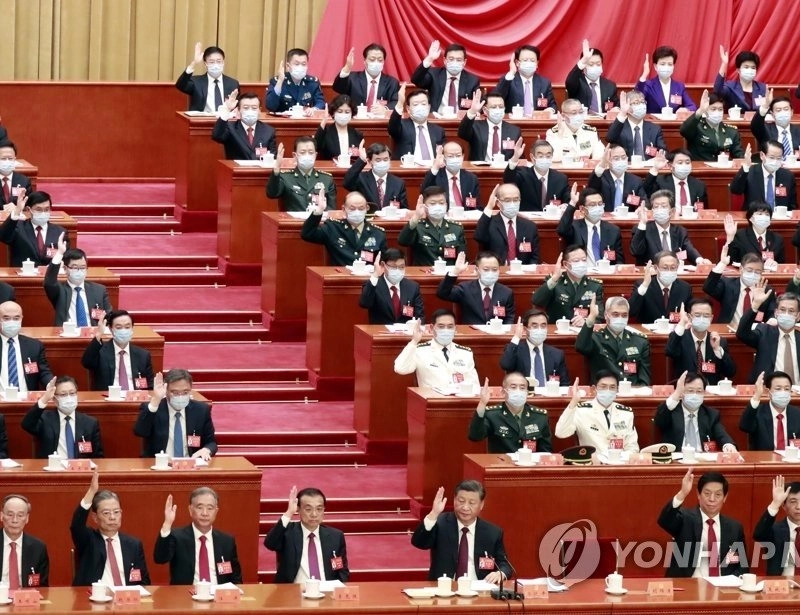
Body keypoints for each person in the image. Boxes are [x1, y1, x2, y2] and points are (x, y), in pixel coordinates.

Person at [411, 481, 512, 582]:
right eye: (461, 501)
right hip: (445, 587)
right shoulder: (441, 523)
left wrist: (500, 573)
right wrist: (434, 513)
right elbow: (419, 542)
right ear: (454, 500)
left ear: (481, 505)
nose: (465, 507)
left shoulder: (492, 533)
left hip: (479, 587)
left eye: (471, 503)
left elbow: (505, 565)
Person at [658, 470, 747, 577]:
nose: (712, 499)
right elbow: (665, 520)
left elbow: (742, 566)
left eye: (718, 494)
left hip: (722, 585)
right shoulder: (685, 519)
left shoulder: (735, 528)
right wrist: (682, 493)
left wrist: (731, 581)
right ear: (698, 494)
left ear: (725, 497)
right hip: (688, 584)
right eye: (707, 493)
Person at [71, 472, 149, 587]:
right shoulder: (89, 540)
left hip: (126, 596)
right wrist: (91, 492)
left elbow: (143, 582)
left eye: (116, 512)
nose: (112, 517)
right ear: (95, 517)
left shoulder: (134, 545)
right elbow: (76, 525)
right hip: (95, 595)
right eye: (106, 513)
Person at [154, 487, 242, 585]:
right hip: (186, 593)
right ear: (190, 510)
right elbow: (160, 558)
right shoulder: (177, 537)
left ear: (216, 511)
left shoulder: (226, 541)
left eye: (210, 508)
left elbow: (236, 578)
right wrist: (167, 524)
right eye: (200, 507)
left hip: (219, 593)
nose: (205, 513)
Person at [264, 486, 349, 583]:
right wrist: (289, 512)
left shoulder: (335, 537)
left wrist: (336, 587)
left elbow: (340, 569)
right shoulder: (288, 532)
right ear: (298, 509)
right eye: (308, 509)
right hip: (294, 590)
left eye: (319, 509)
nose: (314, 514)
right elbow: (270, 544)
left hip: (326, 589)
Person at [133, 369, 217, 460]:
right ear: (166, 391)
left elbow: (211, 443)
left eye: (185, 392)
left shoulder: (201, 410)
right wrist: (156, 400)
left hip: (190, 464)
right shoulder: (155, 408)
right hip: (160, 464)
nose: (180, 396)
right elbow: (140, 431)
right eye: (175, 392)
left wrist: (206, 449)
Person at [21, 375, 104, 459]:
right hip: (53, 466)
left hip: (79, 466)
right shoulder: (45, 419)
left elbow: (98, 457)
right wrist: (45, 398)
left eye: (72, 393)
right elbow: (26, 424)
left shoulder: (90, 423)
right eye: (63, 394)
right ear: (54, 399)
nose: (69, 398)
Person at [394, 309, 479, 389]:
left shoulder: (465, 353)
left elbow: (474, 385)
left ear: (455, 329)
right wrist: (414, 341)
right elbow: (400, 368)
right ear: (432, 328)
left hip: (458, 398)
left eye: (450, 327)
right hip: (430, 398)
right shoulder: (420, 351)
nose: (446, 330)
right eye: (441, 326)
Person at [576, 295, 651, 385]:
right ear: (606, 315)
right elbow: (581, 347)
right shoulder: (595, 338)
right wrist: (591, 318)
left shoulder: (640, 342)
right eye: (615, 314)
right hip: (604, 390)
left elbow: (644, 381)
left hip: (630, 391)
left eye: (624, 315)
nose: (620, 318)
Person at [654, 371, 737, 451]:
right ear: (682, 392)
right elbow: (659, 420)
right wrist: (676, 394)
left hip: (702, 458)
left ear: (704, 393)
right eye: (690, 391)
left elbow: (722, 435)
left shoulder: (711, 415)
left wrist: (728, 445)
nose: (695, 395)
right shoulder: (671, 412)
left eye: (699, 391)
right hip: (677, 458)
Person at [469, 372, 551, 452]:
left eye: (522, 388)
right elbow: (475, 436)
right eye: (513, 387)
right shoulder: (493, 415)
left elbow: (545, 451)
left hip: (530, 461)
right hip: (501, 461)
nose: (518, 391)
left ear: (527, 393)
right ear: (503, 392)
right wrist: (482, 403)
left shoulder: (539, 416)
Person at [300, 191, 387, 266]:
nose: (357, 212)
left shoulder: (378, 233)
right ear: (343, 209)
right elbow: (307, 234)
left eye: (361, 208)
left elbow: (383, 262)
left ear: (367, 208)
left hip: (367, 277)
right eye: (352, 208)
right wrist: (319, 211)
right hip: (340, 277)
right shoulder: (333, 228)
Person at [555, 373, 639, 451]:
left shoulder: (626, 413)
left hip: (619, 460)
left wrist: (621, 459)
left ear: (617, 390)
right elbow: (561, 433)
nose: (608, 390)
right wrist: (574, 401)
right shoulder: (581, 411)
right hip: (593, 460)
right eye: (603, 387)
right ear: (594, 389)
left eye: (612, 387)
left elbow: (632, 448)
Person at [44, 236, 113, 327]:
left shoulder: (99, 290)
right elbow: (49, 281)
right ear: (65, 269)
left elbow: (109, 317)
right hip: (68, 333)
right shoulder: (59, 290)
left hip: (93, 333)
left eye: (83, 267)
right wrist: (60, 253)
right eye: (75, 267)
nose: (79, 271)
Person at [665, 299, 736, 385]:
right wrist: (682, 322)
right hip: (687, 389)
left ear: (711, 318)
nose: (702, 319)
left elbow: (730, 372)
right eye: (697, 315)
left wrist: (717, 349)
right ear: (689, 317)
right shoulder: (680, 338)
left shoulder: (718, 341)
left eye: (706, 316)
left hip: (711, 390)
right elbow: (670, 351)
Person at [81, 309, 154, 391]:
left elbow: (150, 385)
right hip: (108, 397)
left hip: (134, 397)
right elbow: (87, 363)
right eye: (119, 327)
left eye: (127, 327)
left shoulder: (143, 355)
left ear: (132, 328)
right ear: (111, 329)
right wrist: (99, 334)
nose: (123, 330)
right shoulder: (100, 352)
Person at [631, 190, 709, 266]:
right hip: (651, 273)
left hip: (674, 271)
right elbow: (636, 251)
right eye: (656, 206)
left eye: (663, 206)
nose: (659, 210)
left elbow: (689, 249)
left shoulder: (680, 231)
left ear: (672, 211)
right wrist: (642, 223)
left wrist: (700, 260)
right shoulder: (643, 229)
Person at [737, 291, 800, 383]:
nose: (786, 314)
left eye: (791, 311)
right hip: (767, 388)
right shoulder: (764, 332)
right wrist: (755, 305)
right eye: (782, 310)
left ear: (798, 316)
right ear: (776, 313)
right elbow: (742, 333)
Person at [437, 251, 515, 325]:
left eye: (494, 269)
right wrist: (455, 271)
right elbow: (442, 294)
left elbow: (509, 318)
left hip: (497, 333)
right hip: (471, 332)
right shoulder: (465, 289)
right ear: (477, 270)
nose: (490, 272)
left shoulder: (506, 292)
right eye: (486, 269)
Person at [531, 245, 604, 323]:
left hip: (582, 329)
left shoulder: (595, 286)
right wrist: (554, 278)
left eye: (584, 260)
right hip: (557, 328)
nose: (581, 264)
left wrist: (587, 321)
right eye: (576, 261)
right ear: (565, 264)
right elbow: (537, 301)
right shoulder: (555, 281)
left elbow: (599, 316)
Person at [704, 246, 775, 324]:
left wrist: (772, 320)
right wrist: (722, 264)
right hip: (729, 327)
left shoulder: (766, 290)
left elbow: (772, 313)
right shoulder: (728, 284)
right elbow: (708, 288)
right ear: (741, 269)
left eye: (757, 272)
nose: (753, 274)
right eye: (749, 270)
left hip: (755, 330)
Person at [556, 185, 624, 265]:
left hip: (605, 271)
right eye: (592, 205)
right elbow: (562, 230)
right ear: (582, 209)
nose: (597, 207)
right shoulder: (574, 227)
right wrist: (572, 203)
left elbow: (619, 261)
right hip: (582, 270)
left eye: (600, 204)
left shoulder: (613, 230)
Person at [397, 188, 466, 266]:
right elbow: (402, 241)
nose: (438, 206)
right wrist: (416, 216)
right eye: (433, 203)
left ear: (446, 205)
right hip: (424, 272)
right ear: (424, 206)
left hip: (449, 272)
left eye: (441, 203)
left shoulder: (456, 228)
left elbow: (462, 259)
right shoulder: (418, 227)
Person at [474, 183, 539, 265]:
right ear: (498, 203)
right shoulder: (489, 224)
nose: (512, 204)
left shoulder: (530, 226)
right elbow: (479, 237)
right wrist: (489, 207)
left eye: (516, 200)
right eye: (507, 200)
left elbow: (535, 257)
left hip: (522, 271)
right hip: (496, 270)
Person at [0, 189, 68, 268]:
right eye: (39, 209)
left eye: (47, 209)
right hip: (23, 274)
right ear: (29, 210)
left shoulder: (60, 232)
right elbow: (3, 236)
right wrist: (17, 211)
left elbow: (66, 257)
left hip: (50, 274)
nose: (43, 213)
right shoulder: (18, 228)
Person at [265, 137, 336, 212]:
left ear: (315, 155)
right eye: (302, 152)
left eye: (311, 152)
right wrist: (276, 169)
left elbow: (331, 210)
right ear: (294, 155)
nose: (307, 156)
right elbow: (272, 194)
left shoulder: (326, 179)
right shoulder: (285, 177)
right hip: (293, 219)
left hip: (319, 219)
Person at [499, 310, 569, 385]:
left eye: (543, 326)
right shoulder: (516, 351)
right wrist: (516, 337)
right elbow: (506, 365)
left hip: (549, 391)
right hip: (525, 391)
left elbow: (564, 384)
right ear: (525, 329)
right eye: (535, 326)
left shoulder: (557, 354)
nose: (539, 329)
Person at [410, 40, 480, 115]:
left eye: (459, 60)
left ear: (464, 62)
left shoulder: (472, 81)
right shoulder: (434, 75)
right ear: (445, 60)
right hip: (436, 119)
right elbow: (416, 80)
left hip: (461, 120)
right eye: (451, 59)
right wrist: (429, 58)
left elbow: (477, 105)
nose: (455, 62)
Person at [358, 249, 424, 325]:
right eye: (393, 267)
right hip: (381, 331)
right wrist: (375, 274)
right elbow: (364, 303)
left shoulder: (412, 287)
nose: (398, 270)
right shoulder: (374, 285)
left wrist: (416, 324)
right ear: (383, 265)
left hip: (406, 331)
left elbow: (420, 316)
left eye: (401, 267)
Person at [504, 139, 570, 212]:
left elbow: (569, 201)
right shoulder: (523, 174)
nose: (545, 159)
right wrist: (515, 157)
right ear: (532, 157)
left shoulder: (561, 178)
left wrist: (565, 206)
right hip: (527, 218)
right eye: (541, 156)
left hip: (552, 218)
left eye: (548, 156)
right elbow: (508, 180)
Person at [0, 301, 53, 392]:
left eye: (16, 318)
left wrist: (50, 384)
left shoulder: (34, 346)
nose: (11, 322)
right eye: (6, 318)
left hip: (27, 398)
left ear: (21, 319)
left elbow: (43, 372)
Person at [752, 475, 800, 576]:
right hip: (781, 583)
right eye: (793, 501)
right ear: (784, 505)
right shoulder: (775, 530)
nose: (798, 507)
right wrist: (775, 503)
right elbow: (758, 535)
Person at [628, 250, 693, 324]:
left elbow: (690, 313)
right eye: (665, 268)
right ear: (656, 268)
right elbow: (631, 312)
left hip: (675, 329)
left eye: (673, 268)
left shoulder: (684, 288)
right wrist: (645, 285)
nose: (669, 271)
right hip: (648, 329)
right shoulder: (643, 285)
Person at [740, 371, 800, 450]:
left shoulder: (797, 414)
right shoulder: (758, 413)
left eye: (787, 389)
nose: (783, 392)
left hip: (791, 457)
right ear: (768, 392)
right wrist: (757, 395)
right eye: (778, 389)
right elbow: (745, 426)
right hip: (764, 457)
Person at [332, 44, 399, 113]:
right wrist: (347, 67)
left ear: (383, 62)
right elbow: (338, 88)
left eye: (380, 60)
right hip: (356, 118)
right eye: (372, 60)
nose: (376, 63)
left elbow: (397, 102)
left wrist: (385, 108)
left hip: (380, 118)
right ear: (364, 61)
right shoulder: (353, 78)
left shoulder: (392, 83)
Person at [679, 90, 744, 161]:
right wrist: (700, 111)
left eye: (720, 109)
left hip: (723, 167)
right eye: (713, 109)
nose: (717, 112)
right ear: (706, 111)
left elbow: (739, 154)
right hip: (701, 166)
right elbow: (683, 131)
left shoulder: (731, 131)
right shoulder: (696, 127)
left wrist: (745, 159)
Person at [730, 141, 797, 211]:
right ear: (762, 155)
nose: (775, 161)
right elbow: (735, 190)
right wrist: (746, 166)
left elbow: (792, 205)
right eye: (771, 157)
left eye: (779, 158)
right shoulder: (750, 172)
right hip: (755, 215)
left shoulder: (788, 176)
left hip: (779, 216)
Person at [458, 90, 521, 162]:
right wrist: (472, 111)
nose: (498, 109)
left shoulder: (514, 131)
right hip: (480, 168)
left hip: (505, 168)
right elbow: (462, 134)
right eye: (494, 107)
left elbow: (520, 157)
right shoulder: (475, 127)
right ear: (485, 110)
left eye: (501, 107)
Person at [0, 494, 49, 587]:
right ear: (1, 516)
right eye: (10, 515)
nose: (14, 520)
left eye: (20, 515)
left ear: (27, 518)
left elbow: (42, 587)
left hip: (26, 596)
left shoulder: (38, 548)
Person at [343, 142, 407, 212]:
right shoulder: (362, 179)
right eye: (378, 160)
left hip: (390, 218)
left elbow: (404, 210)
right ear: (370, 161)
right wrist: (361, 160)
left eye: (385, 159)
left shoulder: (398, 183)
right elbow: (347, 183)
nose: (382, 163)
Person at [211, 91, 276, 161]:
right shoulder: (231, 128)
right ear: (239, 110)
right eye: (246, 108)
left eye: (254, 108)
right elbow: (217, 136)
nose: (250, 111)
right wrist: (227, 109)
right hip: (236, 167)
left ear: (259, 110)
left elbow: (273, 157)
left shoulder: (268, 131)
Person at [175, 43, 239, 113]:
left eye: (219, 61)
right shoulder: (196, 82)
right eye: (211, 62)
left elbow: (237, 107)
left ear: (223, 62)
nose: (215, 65)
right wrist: (194, 63)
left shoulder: (233, 83)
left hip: (225, 119)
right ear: (205, 64)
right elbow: (180, 85)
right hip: (201, 119)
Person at [388, 85, 445, 161]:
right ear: (408, 109)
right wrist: (400, 103)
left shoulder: (438, 131)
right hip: (409, 167)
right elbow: (392, 127)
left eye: (423, 104)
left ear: (429, 107)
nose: (420, 107)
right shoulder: (401, 126)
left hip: (433, 167)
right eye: (415, 104)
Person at [495, 45, 556, 114]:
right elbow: (495, 99)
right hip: (514, 120)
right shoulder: (509, 80)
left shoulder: (544, 83)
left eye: (532, 60)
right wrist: (512, 72)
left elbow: (553, 105)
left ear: (537, 64)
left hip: (537, 120)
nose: (529, 63)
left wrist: (550, 110)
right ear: (517, 63)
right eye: (525, 60)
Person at [635, 46, 697, 113]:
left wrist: (686, 109)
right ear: (655, 66)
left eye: (670, 64)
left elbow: (692, 106)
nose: (666, 67)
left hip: (674, 119)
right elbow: (636, 99)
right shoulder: (648, 85)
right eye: (663, 64)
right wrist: (644, 75)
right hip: (654, 119)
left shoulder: (679, 87)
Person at [588, 143, 648, 212]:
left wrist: (643, 208)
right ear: (608, 160)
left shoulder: (635, 181)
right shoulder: (601, 178)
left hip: (627, 218)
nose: (620, 161)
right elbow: (591, 187)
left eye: (623, 158)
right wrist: (602, 163)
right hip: (605, 217)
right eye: (616, 158)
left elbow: (644, 202)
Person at [606, 91, 666, 159]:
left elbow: (664, 151)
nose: (641, 105)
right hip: (626, 164)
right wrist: (622, 113)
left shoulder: (655, 129)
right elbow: (610, 138)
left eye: (643, 102)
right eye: (636, 103)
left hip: (649, 164)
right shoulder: (619, 127)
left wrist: (661, 154)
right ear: (627, 106)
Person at [565, 40, 618, 114]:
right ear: (584, 66)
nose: (595, 67)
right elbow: (569, 82)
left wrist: (616, 109)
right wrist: (583, 61)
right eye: (591, 64)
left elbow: (616, 105)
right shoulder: (577, 82)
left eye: (598, 64)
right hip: (582, 120)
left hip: (604, 120)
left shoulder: (610, 86)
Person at [420, 142, 480, 208]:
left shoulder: (471, 178)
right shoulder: (436, 176)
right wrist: (435, 167)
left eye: (458, 155)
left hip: (465, 213)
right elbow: (423, 193)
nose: (455, 159)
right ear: (443, 158)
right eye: (450, 156)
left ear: (463, 156)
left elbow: (476, 205)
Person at [643, 149, 708, 209]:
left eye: (687, 162)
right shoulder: (661, 181)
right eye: (680, 163)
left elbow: (704, 209)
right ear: (670, 166)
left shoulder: (699, 185)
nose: (684, 165)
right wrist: (655, 168)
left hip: (691, 217)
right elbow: (647, 191)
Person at [265, 48, 325, 113]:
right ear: (288, 66)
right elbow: (271, 106)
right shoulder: (277, 81)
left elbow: (321, 103)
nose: (300, 67)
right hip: (283, 119)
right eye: (296, 64)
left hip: (305, 118)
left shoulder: (312, 82)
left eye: (303, 64)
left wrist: (313, 109)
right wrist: (280, 81)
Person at [714, 47, 766, 112]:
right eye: (746, 67)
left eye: (753, 68)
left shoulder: (762, 88)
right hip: (736, 118)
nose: (750, 70)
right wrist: (724, 64)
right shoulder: (730, 87)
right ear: (738, 70)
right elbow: (717, 92)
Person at [314, 95, 364, 161]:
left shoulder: (357, 134)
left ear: (352, 114)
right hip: (330, 166)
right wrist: (324, 120)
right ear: (333, 113)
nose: (343, 115)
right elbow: (316, 147)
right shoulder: (326, 132)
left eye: (347, 112)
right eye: (340, 111)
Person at [750, 90, 800, 156]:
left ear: (792, 112)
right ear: (772, 114)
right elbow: (755, 125)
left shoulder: (798, 131)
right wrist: (765, 106)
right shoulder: (766, 130)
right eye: (778, 110)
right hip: (773, 162)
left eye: (786, 109)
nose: (783, 112)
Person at [0, 142, 31, 206]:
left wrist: (17, 208)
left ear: (15, 159)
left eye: (10, 158)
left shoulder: (24, 181)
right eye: (3, 159)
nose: (7, 161)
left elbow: (29, 203)